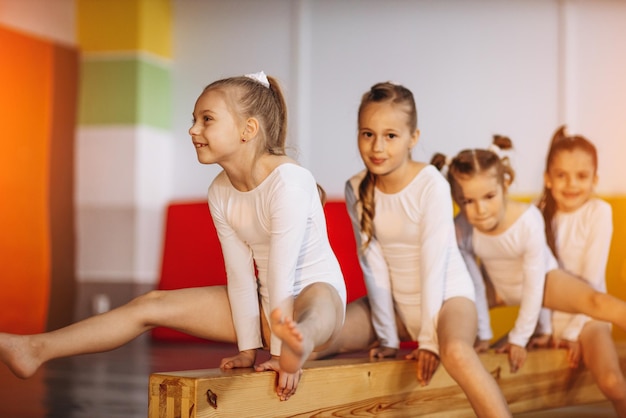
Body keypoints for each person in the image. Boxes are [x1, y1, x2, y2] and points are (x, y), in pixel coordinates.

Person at [0, 71, 347, 402]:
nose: (193, 129)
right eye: (194, 119)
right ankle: (34, 350)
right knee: (150, 304)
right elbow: (240, 277)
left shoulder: (288, 180)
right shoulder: (220, 191)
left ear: (248, 129)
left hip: (314, 303)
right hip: (265, 303)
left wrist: (280, 354)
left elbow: (282, 275)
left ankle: (297, 347)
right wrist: (246, 349)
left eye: (207, 119)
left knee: (315, 302)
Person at [310, 82, 511, 417]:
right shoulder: (356, 187)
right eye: (367, 134)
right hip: (394, 309)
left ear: (413, 137)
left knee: (457, 353)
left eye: (391, 136)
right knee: (316, 339)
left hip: (449, 302)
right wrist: (388, 337)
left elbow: (434, 265)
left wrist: (430, 341)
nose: (377, 147)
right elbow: (372, 264)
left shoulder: (430, 183)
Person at [436, 133, 626, 377]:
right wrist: (486, 333)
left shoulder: (536, 218)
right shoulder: (534, 209)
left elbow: (549, 281)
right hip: (524, 299)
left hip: (568, 307)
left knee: (608, 362)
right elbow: (476, 287)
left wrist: (556, 334)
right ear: (548, 178)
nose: (480, 210)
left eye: (581, 176)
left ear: (504, 185)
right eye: (467, 201)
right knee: (451, 302)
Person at [537, 125, 626, 416]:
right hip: (549, 319)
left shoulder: (598, 212)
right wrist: (546, 330)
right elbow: (537, 281)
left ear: (595, 180)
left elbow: (592, 282)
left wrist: (574, 332)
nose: (571, 184)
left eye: (581, 176)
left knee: (612, 382)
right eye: (561, 175)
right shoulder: (539, 216)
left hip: (589, 316)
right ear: (548, 179)